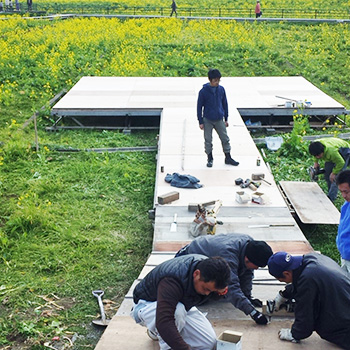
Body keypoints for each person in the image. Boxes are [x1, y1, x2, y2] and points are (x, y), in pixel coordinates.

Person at [132, 254, 230, 350]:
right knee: (177, 312)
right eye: (206, 289)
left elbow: (211, 290)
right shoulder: (171, 281)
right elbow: (164, 321)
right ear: (196, 274)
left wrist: (219, 293)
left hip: (181, 305)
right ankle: (161, 336)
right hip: (146, 306)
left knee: (208, 343)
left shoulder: (208, 271)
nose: (207, 294)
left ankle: (158, 332)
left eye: (212, 291)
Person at [175, 234, 273, 325]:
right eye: (257, 266)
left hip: (208, 255)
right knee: (204, 294)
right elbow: (231, 287)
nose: (257, 269)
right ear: (247, 259)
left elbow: (247, 273)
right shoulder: (228, 254)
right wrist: (253, 313)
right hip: (185, 258)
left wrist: (247, 297)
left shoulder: (250, 246)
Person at [268, 251, 350, 349]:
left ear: (286, 273)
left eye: (281, 279)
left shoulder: (307, 279)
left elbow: (305, 316)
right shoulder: (311, 258)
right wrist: (285, 294)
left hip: (345, 325)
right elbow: (304, 280)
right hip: (344, 301)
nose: (283, 281)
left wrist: (295, 334)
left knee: (326, 327)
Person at [197, 69, 239, 168]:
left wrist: (226, 118)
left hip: (219, 118)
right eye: (215, 80)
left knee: (225, 138)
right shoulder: (203, 92)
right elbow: (199, 107)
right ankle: (210, 158)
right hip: (208, 119)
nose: (217, 83)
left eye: (218, 80)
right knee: (208, 140)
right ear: (210, 80)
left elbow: (225, 103)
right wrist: (200, 121)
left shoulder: (221, 89)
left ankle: (228, 157)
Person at [309, 137, 350, 201]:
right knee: (327, 174)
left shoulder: (331, 151)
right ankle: (329, 192)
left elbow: (341, 162)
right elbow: (316, 154)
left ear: (322, 151)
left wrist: (334, 173)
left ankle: (331, 198)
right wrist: (316, 162)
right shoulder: (315, 145)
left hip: (344, 151)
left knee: (335, 178)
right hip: (332, 154)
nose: (317, 157)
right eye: (315, 156)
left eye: (319, 155)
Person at [336, 169, 350, 273]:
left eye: (346, 192)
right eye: (341, 192)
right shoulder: (346, 205)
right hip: (345, 255)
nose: (344, 196)